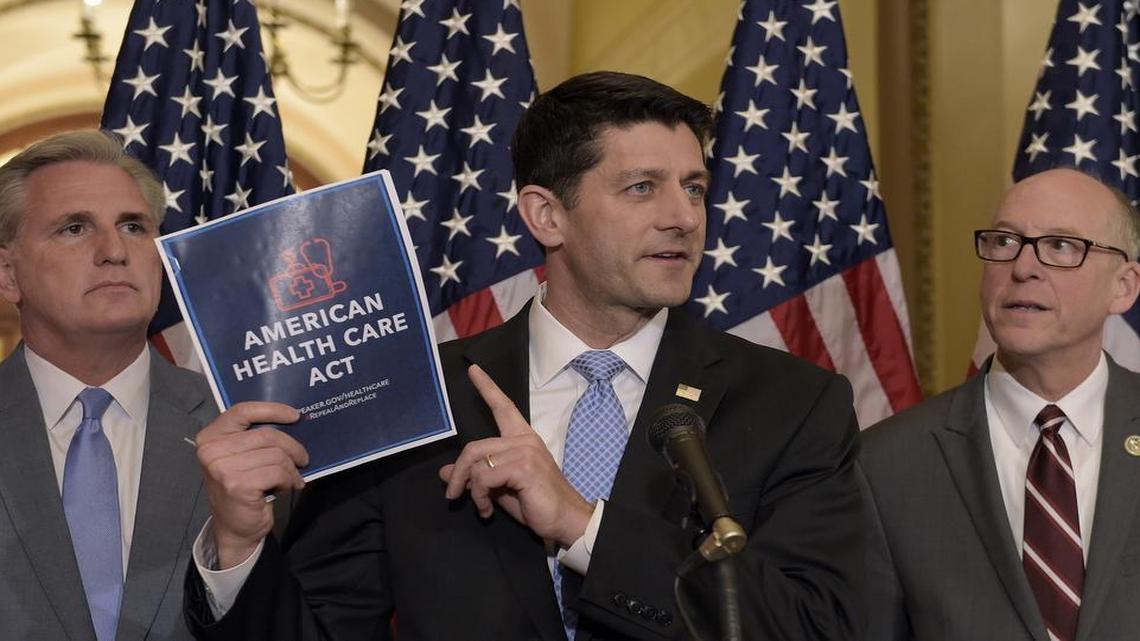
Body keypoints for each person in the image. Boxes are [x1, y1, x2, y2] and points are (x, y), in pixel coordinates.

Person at [184, 71, 864, 641]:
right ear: (546, 216)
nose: (684, 217)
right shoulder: (414, 398)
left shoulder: (793, 402)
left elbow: (824, 623)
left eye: (693, 187)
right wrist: (240, 545)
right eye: (642, 187)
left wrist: (581, 525)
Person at [859, 167, 1140, 641]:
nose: (1023, 267)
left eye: (1061, 246)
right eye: (1004, 242)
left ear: (1124, 286)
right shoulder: (883, 465)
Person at [0, 130, 218, 641]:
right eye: (75, 228)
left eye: (134, 227)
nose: (115, 250)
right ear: (8, 274)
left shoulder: (243, 424)